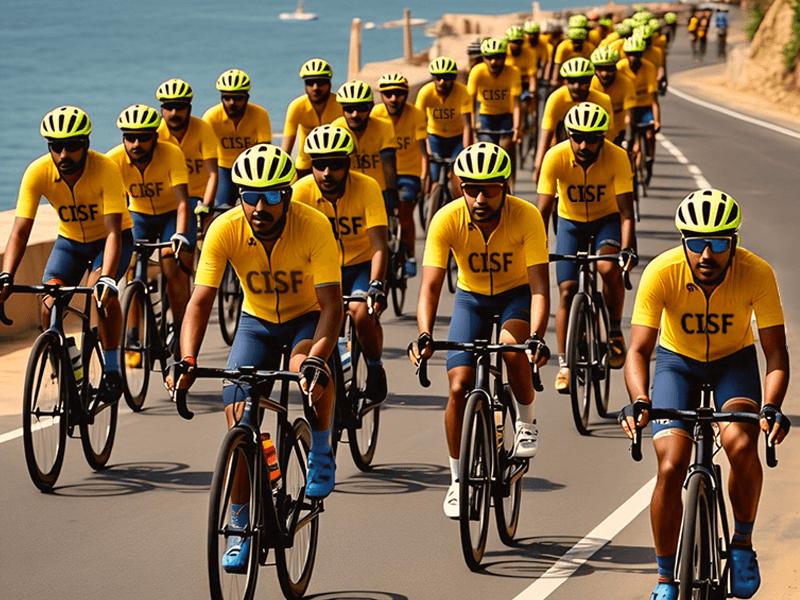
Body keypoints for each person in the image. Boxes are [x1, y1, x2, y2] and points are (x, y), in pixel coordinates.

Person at [176, 144, 343, 571]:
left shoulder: (314, 225)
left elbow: (332, 306)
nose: (260, 207)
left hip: (306, 319)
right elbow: (200, 301)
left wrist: (318, 358)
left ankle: (321, 447)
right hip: (257, 322)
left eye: (270, 196)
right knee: (239, 424)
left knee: (306, 370)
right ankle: (239, 523)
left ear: (287, 195)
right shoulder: (224, 228)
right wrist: (187, 359)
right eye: (250, 196)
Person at [621, 189, 791, 600]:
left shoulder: (757, 272)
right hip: (677, 364)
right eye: (697, 243)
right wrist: (640, 400)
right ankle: (666, 577)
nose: (707, 254)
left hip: (734, 364)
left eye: (718, 243)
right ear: (684, 242)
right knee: (670, 465)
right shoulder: (661, 272)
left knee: (741, 445)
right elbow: (638, 351)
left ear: (734, 242)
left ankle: (742, 543)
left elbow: (776, 354)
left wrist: (771, 407)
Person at [409, 142, 550, 517]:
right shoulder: (446, 219)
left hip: (516, 296)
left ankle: (526, 421)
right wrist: (424, 333)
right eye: (471, 189)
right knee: (458, 386)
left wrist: (536, 338)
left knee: (510, 348)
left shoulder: (527, 216)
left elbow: (539, 287)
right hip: (471, 299)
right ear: (460, 187)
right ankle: (457, 480)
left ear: (505, 187)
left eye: (489, 189)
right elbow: (430, 287)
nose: (480, 198)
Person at [1, 106, 133, 399]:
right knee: (49, 303)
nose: (63, 155)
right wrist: (6, 275)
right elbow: (20, 231)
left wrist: (107, 278)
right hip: (70, 243)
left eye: (72, 146)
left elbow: (114, 232)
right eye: (56, 146)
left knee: (100, 294)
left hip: (110, 241)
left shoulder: (106, 169)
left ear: (86, 144)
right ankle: (69, 371)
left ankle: (113, 368)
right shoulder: (38, 172)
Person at [537, 103, 636, 392]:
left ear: (603, 137)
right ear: (568, 135)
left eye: (592, 139)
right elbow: (543, 211)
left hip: (606, 221)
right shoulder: (555, 157)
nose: (583, 145)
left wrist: (626, 249)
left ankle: (614, 329)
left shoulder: (617, 157)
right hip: (570, 223)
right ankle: (565, 364)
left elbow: (627, 213)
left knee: (606, 267)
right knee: (567, 290)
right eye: (577, 137)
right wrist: (538, 249)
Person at [293, 124, 389, 402]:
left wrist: (376, 284)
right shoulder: (300, 191)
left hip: (360, 265)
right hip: (319, 270)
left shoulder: (368, 187)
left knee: (360, 312)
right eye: (319, 165)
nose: (327, 173)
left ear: (348, 164)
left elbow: (379, 245)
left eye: (335, 165)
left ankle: (374, 366)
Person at [107, 104, 193, 357]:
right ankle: (134, 330)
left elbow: (182, 202)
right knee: (131, 267)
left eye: (143, 138)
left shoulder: (171, 153)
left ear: (155, 137)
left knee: (170, 263)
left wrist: (179, 234)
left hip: (170, 215)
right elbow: (113, 207)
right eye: (130, 138)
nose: (136, 144)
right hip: (139, 216)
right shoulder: (113, 160)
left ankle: (181, 328)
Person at [372, 73, 428, 277]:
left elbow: (424, 152)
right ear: (382, 96)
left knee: (405, 213)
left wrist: (425, 177)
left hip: (408, 172)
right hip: (381, 175)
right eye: (388, 94)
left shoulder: (416, 114)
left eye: (398, 93)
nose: (393, 99)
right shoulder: (375, 114)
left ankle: (410, 255)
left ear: (405, 94)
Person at [533, 57, 614, 182]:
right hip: (561, 141)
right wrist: (539, 167)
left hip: (593, 147)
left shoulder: (603, 100)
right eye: (572, 81)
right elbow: (546, 135)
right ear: (565, 81)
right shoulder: (556, 99)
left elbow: (608, 138)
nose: (577, 86)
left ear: (591, 80)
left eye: (583, 81)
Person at [155, 78, 218, 231]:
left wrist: (207, 204)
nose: (174, 113)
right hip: (166, 199)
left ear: (189, 108)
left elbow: (213, 174)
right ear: (161, 110)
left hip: (197, 196)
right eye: (169, 107)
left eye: (180, 107)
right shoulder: (155, 134)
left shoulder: (203, 128)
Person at [203, 68, 272, 207]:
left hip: (251, 168)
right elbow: (205, 154)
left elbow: (264, 152)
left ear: (247, 98)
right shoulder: (211, 117)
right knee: (220, 207)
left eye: (238, 98)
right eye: (227, 98)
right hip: (224, 169)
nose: (232, 103)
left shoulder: (260, 114)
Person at [331, 79, 399, 212]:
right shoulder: (336, 128)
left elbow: (388, 164)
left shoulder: (384, 126)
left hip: (378, 191)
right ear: (341, 109)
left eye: (361, 108)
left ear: (371, 106)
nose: (355, 114)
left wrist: (392, 192)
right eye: (349, 109)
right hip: (347, 192)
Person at [416, 56, 472, 199]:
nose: (442, 82)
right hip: (435, 138)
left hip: (457, 138)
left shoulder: (463, 92)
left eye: (447, 78)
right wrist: (426, 149)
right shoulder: (425, 93)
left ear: (453, 78)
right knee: (434, 176)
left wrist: (466, 151)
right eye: (438, 78)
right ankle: (430, 200)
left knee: (458, 177)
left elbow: (467, 126)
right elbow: (419, 124)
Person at [466, 37, 521, 175]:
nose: (493, 62)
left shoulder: (513, 72)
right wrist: (472, 125)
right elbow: (470, 103)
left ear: (505, 57)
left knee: (506, 148)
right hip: (486, 116)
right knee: (488, 154)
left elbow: (516, 103)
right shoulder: (477, 72)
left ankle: (510, 180)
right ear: (483, 58)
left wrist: (517, 127)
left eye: (498, 57)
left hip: (506, 115)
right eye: (489, 58)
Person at [282, 58, 342, 179]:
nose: (315, 87)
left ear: (330, 83)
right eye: (310, 82)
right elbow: (286, 149)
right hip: (305, 164)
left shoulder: (340, 105)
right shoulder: (297, 106)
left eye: (321, 82)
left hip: (333, 164)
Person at [617, 36, 660, 185]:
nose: (633, 58)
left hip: (644, 107)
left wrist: (657, 121)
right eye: (630, 54)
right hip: (627, 108)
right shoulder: (620, 68)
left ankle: (649, 159)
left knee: (649, 134)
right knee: (629, 141)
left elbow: (654, 100)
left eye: (637, 54)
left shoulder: (649, 68)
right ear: (626, 54)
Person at [590, 46, 636, 145]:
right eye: (600, 68)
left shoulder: (626, 83)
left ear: (615, 67)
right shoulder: (589, 84)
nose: (604, 74)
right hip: (594, 130)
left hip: (619, 131)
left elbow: (628, 114)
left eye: (609, 69)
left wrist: (629, 137)